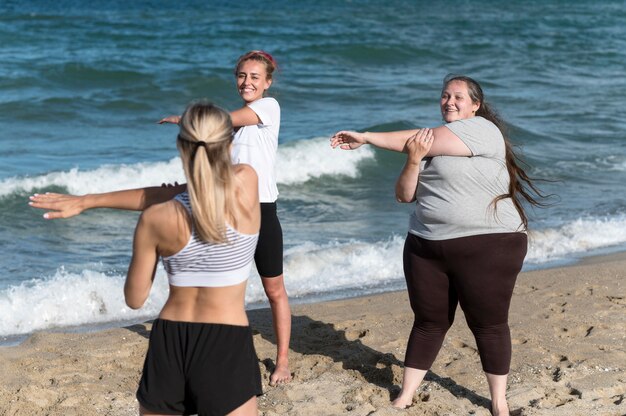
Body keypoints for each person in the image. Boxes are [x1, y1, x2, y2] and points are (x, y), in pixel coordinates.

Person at [29, 50, 293, 386]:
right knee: (222, 283)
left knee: (274, 290)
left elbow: (221, 124)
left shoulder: (267, 109)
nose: (247, 82)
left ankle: (282, 360)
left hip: (260, 210)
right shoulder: (231, 145)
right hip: (216, 203)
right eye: (241, 75)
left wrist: (189, 120)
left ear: (268, 82)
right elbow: (202, 161)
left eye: (255, 77)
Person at [330, 75, 547, 416]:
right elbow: (404, 196)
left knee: (487, 323)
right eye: (445, 95)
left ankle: (499, 403)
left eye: (458, 96)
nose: (449, 101)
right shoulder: (428, 146)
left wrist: (367, 137)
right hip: (427, 246)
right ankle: (405, 395)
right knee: (428, 321)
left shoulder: (481, 129)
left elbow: (418, 140)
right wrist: (414, 160)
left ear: (476, 105)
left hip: (488, 245)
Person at [128, 100, 261, 415]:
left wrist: (89, 201)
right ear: (229, 143)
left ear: (180, 147)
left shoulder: (156, 217)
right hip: (226, 338)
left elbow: (135, 299)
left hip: (170, 339)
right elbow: (217, 180)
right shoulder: (247, 184)